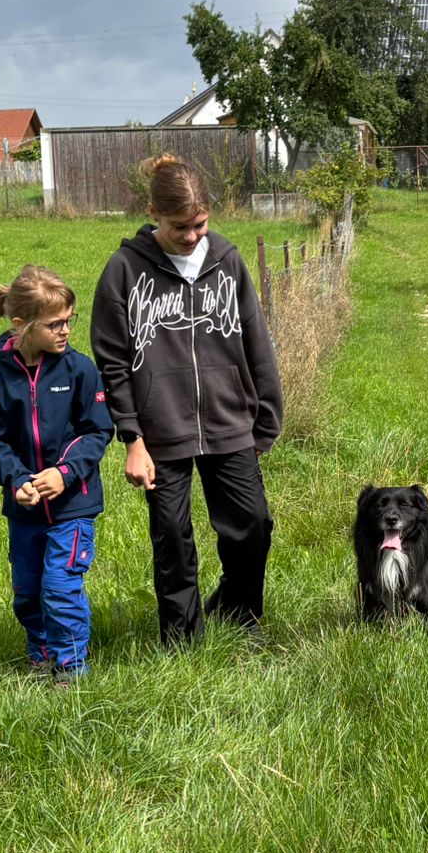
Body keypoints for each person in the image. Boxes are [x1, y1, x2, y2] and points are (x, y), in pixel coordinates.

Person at [90, 154, 282, 644]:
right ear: (154, 212)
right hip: (161, 429)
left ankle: (239, 616)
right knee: (173, 538)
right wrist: (132, 437)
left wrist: (266, 418)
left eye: (200, 224)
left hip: (228, 419)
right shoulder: (124, 270)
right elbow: (112, 360)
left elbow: (256, 341)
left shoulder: (228, 262)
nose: (192, 236)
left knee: (252, 525)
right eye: (179, 227)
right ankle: (182, 641)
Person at [0, 265, 113, 680]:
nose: (65, 330)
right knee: (28, 590)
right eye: (55, 324)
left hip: (73, 505)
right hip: (25, 509)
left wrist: (64, 472)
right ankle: (42, 655)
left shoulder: (79, 370)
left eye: (69, 320)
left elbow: (97, 430)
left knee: (60, 587)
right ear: (21, 325)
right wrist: (17, 480)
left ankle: (71, 668)